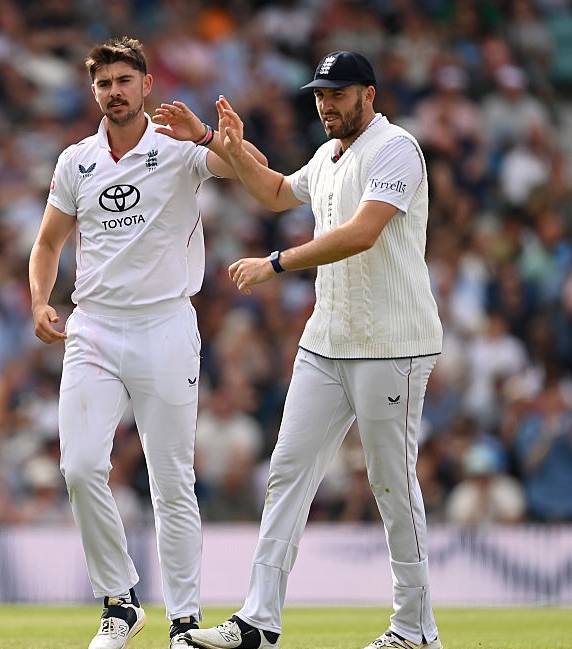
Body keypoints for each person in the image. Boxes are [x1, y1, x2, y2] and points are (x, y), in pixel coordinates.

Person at [184, 51, 444, 649]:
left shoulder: (396, 148)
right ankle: (258, 621)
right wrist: (224, 145)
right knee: (286, 472)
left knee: (390, 484)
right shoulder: (329, 155)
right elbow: (277, 191)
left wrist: (276, 262)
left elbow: (363, 232)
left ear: (369, 94)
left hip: (392, 343)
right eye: (321, 94)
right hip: (327, 340)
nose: (326, 104)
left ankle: (415, 628)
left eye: (338, 93)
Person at [28, 36, 265, 649]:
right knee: (80, 467)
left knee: (171, 480)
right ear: (94, 92)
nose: (115, 92)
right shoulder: (76, 160)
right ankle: (120, 600)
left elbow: (254, 172)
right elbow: (49, 242)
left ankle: (183, 621)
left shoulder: (178, 146)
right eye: (104, 83)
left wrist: (209, 136)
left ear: (146, 85)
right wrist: (39, 298)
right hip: (94, 326)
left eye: (124, 81)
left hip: (165, 324)